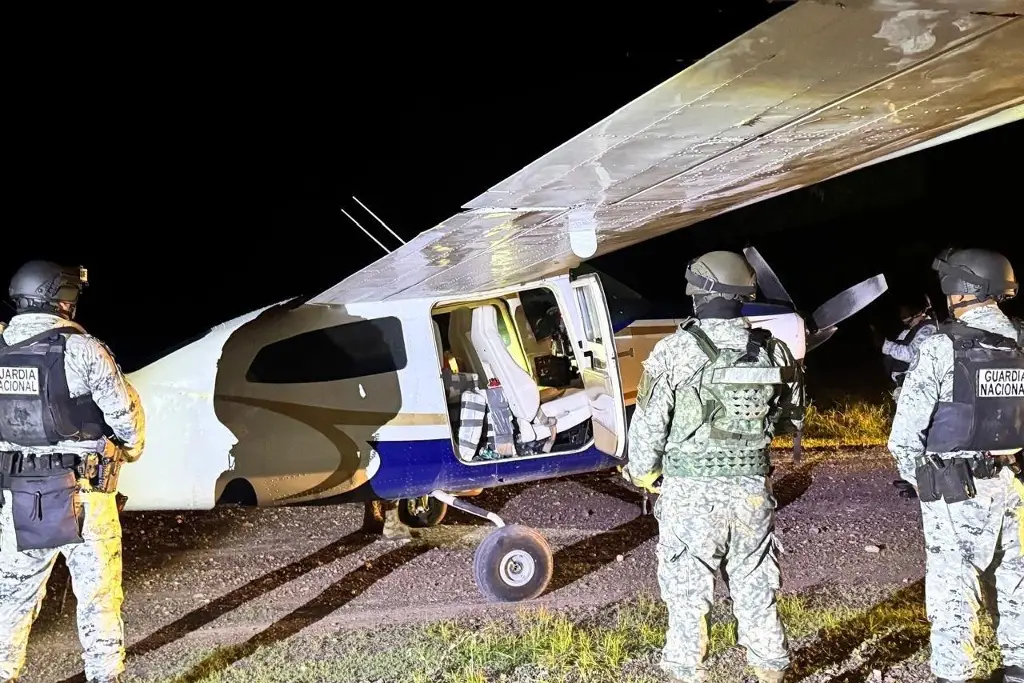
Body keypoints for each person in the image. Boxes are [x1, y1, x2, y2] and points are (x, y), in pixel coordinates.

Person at [623, 250, 805, 683]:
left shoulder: (674, 352)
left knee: (688, 594)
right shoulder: (774, 351)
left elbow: (647, 433)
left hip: (690, 497)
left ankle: (689, 670)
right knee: (756, 582)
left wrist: (643, 474)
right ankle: (769, 668)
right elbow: (790, 416)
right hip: (751, 493)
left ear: (699, 294)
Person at [0, 261, 146, 683]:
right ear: (62, 298)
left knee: (11, 598)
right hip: (83, 495)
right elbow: (127, 419)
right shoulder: (82, 349)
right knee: (99, 596)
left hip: (18, 499)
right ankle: (104, 675)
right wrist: (130, 451)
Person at [887, 247, 1023, 683]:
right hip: (1013, 485)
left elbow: (904, 435)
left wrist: (921, 479)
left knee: (953, 587)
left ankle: (955, 673)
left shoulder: (941, 346)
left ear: (959, 289)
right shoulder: (1020, 341)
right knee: (1015, 580)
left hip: (956, 489)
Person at [881, 298, 939, 402]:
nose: (901, 315)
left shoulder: (928, 328)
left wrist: (885, 345)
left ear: (915, 311)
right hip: (904, 385)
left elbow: (913, 354)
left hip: (919, 386)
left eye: (904, 311)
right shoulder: (909, 331)